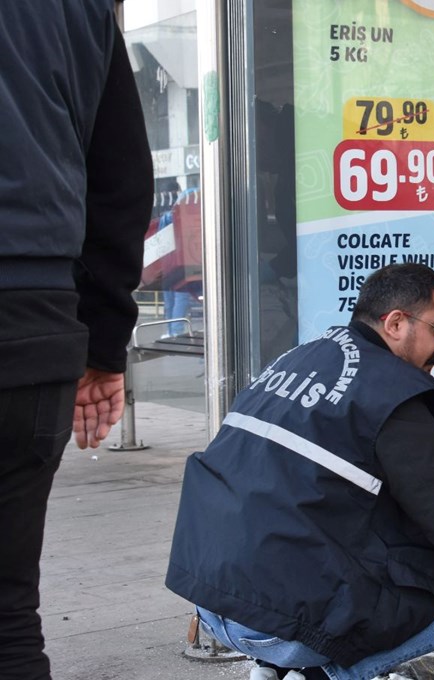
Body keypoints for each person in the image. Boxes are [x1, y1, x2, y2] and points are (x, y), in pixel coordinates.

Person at [165, 263, 434, 680]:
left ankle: (275, 668)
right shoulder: (394, 390)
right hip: (271, 623)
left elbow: (342, 485)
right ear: (395, 323)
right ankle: (323, 676)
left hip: (211, 601)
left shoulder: (305, 357)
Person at [0, 2, 153, 678]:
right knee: (8, 616)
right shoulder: (77, 9)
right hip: (36, 321)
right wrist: (101, 348)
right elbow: (122, 177)